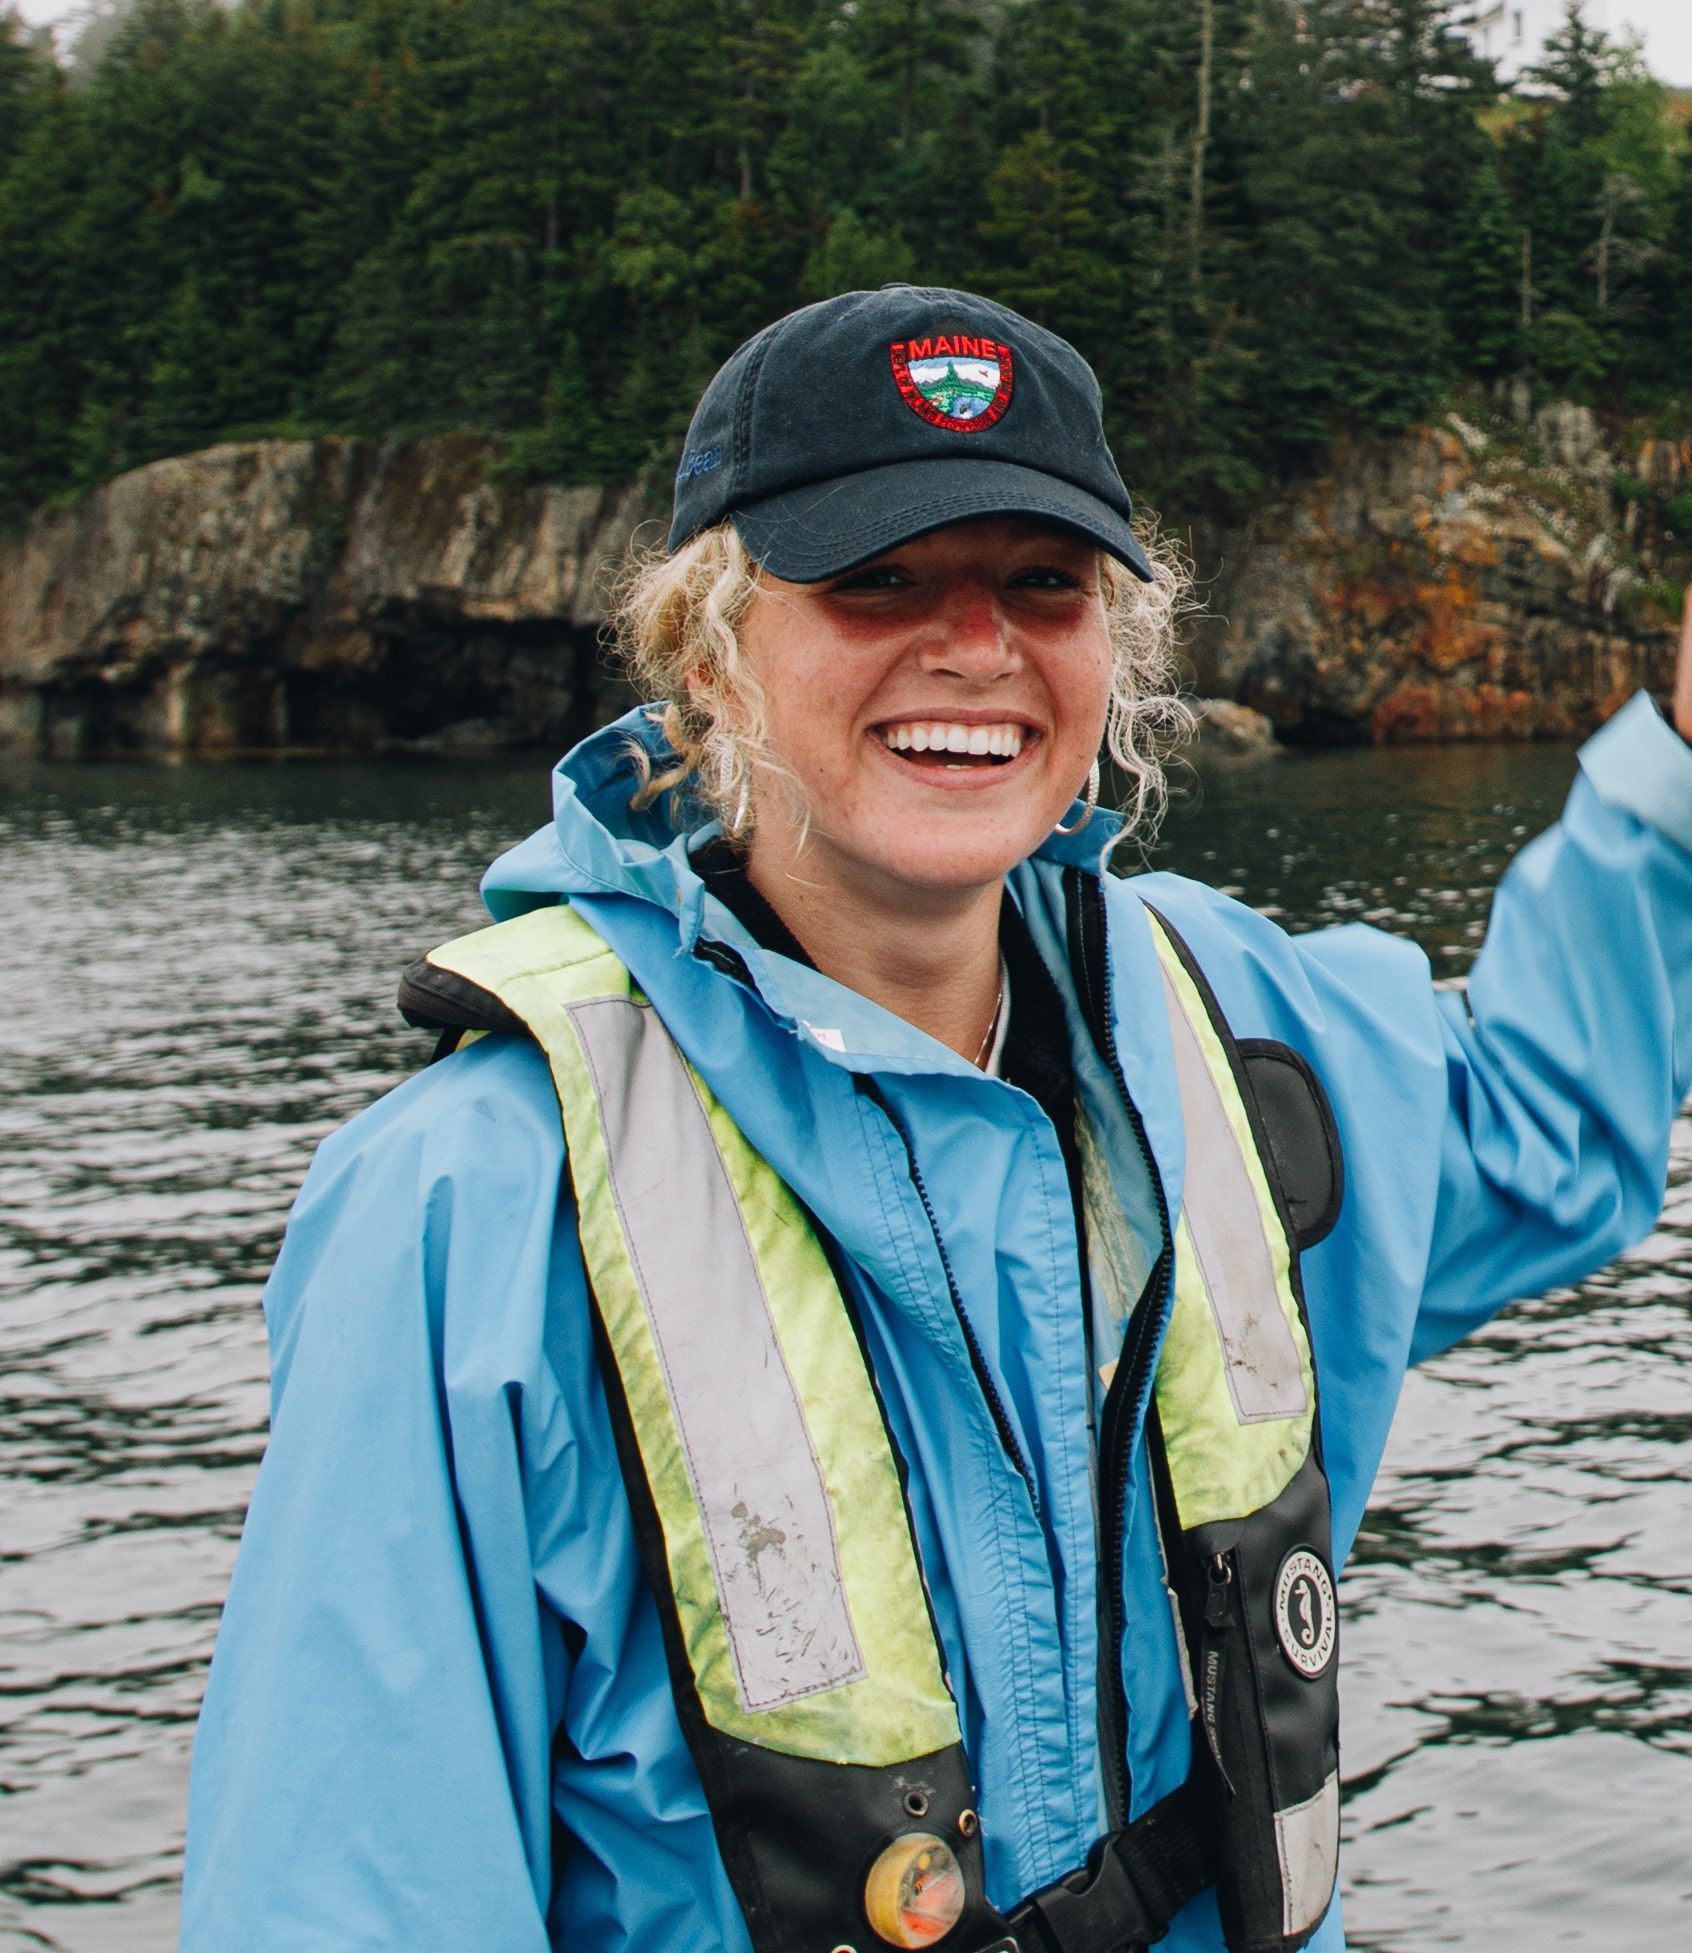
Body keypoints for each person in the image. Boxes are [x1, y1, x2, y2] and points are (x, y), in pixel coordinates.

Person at [180, 286, 1692, 1953]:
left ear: (1114, 640)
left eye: (1040, 583)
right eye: (875, 577)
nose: (974, 645)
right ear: (707, 651)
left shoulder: (1243, 1022)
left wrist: (1677, 760)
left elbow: (1555, 1128)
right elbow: (348, 1888)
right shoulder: (465, 1201)